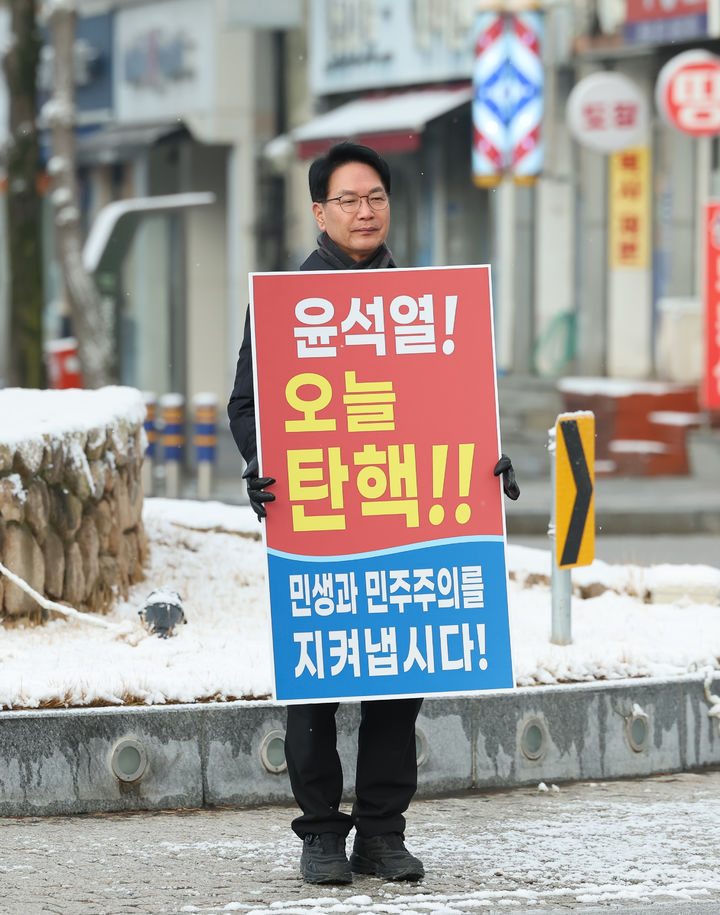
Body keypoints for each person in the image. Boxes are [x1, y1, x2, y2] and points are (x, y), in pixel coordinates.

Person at [228, 142, 519, 886]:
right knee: (316, 688)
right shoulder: (290, 301)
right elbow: (246, 403)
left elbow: (452, 408)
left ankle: (382, 832)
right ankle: (322, 832)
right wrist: (259, 467)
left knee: (397, 682)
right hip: (322, 526)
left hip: (405, 516)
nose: (365, 211)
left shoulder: (425, 302)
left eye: (376, 198)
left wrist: (488, 462)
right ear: (319, 211)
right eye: (349, 200)